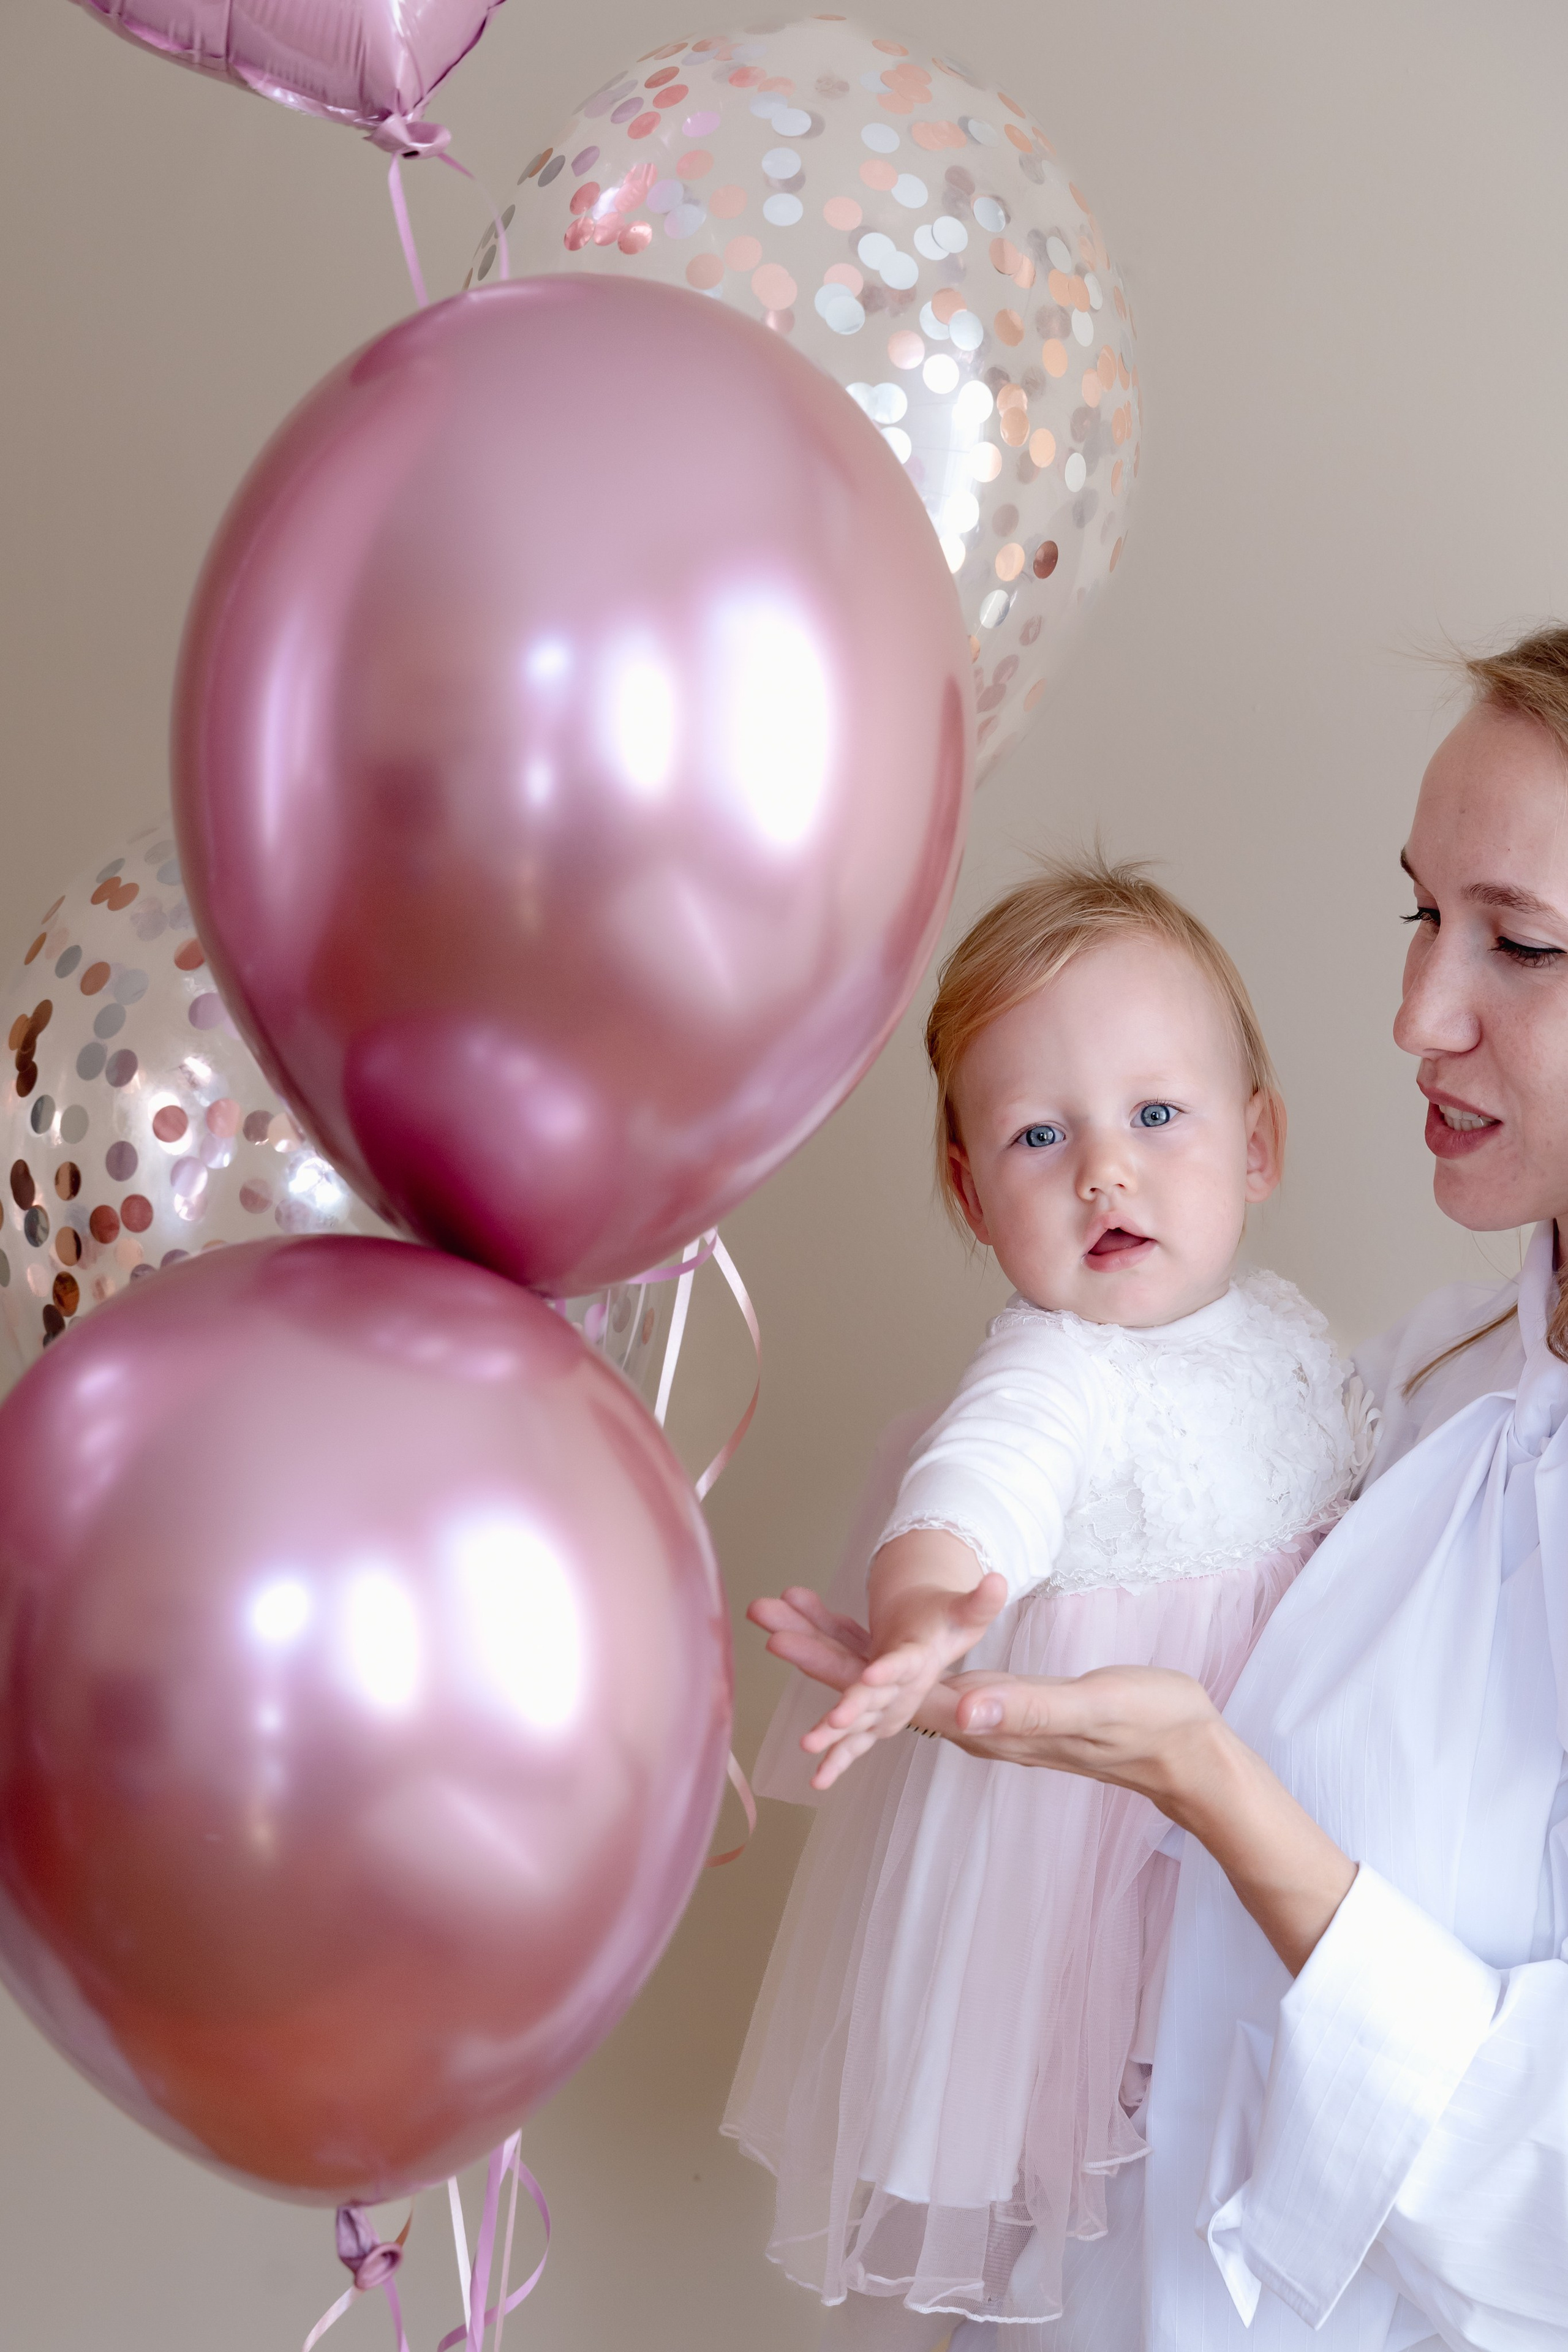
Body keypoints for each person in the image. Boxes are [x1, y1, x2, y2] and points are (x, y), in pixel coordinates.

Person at [759, 624, 1568, 2351]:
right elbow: (1024, 1454)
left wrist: (1207, 1780)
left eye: (1522, 942)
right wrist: (937, 1590)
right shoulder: (1422, 1387)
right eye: (1423, 914)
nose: (1417, 1013)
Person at [726, 860, 1374, 2343]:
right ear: (967, 1192)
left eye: (1155, 1115)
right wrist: (928, 1611)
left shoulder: (1282, 1332)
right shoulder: (1051, 1367)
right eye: (1038, 1134)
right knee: (1109, 2231)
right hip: (1101, 1861)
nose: (1104, 1170)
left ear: (1256, 1142)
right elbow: (969, 1488)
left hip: (1264, 1819)